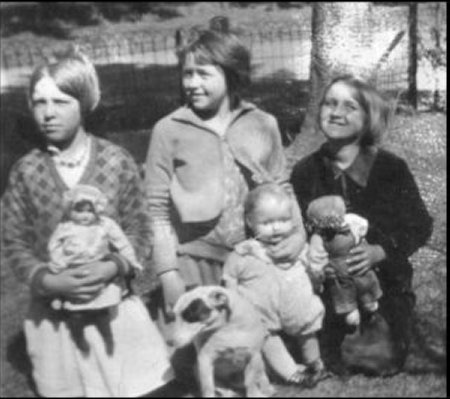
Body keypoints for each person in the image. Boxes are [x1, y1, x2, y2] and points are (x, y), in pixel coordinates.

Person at [1, 47, 173, 397]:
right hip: (55, 313)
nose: (48, 113)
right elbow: (13, 238)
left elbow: (139, 228)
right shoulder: (26, 171)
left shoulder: (116, 162)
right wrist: (47, 279)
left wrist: (114, 266)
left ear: (85, 104)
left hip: (113, 309)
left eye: (61, 102)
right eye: (39, 102)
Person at [144, 26, 306, 389]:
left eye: (204, 73)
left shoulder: (263, 124)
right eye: (187, 73)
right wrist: (168, 273)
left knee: (258, 334)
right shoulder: (167, 130)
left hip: (249, 256)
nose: (192, 82)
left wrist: (297, 240)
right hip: (195, 260)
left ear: (231, 75)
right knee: (189, 363)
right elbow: (155, 209)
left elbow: (281, 187)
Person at [290, 74, 433, 373]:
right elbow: (301, 227)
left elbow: (419, 225)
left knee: (379, 360)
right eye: (329, 103)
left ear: (369, 119)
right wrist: (314, 255)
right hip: (328, 283)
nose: (336, 112)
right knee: (316, 348)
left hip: (382, 283)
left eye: (349, 106)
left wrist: (380, 251)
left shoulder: (390, 169)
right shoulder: (306, 171)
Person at [222, 183, 328, 387]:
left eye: (283, 220)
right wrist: (233, 303)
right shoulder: (245, 251)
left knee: (308, 331)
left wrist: (317, 272)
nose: (276, 227)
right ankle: (290, 373)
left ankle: (315, 363)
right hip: (263, 312)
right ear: (250, 222)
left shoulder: (296, 247)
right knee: (265, 337)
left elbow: (314, 268)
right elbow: (231, 275)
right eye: (267, 222)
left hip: (298, 307)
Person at [306, 194, 382, 329]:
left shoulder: (350, 222)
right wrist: (320, 273)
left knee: (365, 282)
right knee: (343, 292)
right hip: (339, 272)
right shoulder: (319, 237)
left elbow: (363, 227)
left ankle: (369, 301)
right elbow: (316, 258)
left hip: (359, 266)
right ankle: (351, 312)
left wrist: (364, 243)